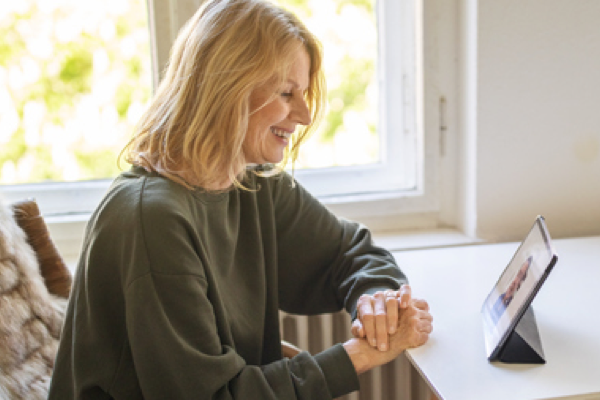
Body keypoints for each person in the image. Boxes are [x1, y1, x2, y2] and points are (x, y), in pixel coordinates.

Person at [48, 0, 433, 399]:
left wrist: (378, 301)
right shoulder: (151, 218)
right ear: (227, 89)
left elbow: (349, 251)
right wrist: (361, 354)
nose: (303, 114)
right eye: (286, 93)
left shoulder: (251, 183)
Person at [491, 256, 532, 323]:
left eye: (521, 277)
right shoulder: (500, 297)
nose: (514, 282)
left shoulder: (512, 308)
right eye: (518, 273)